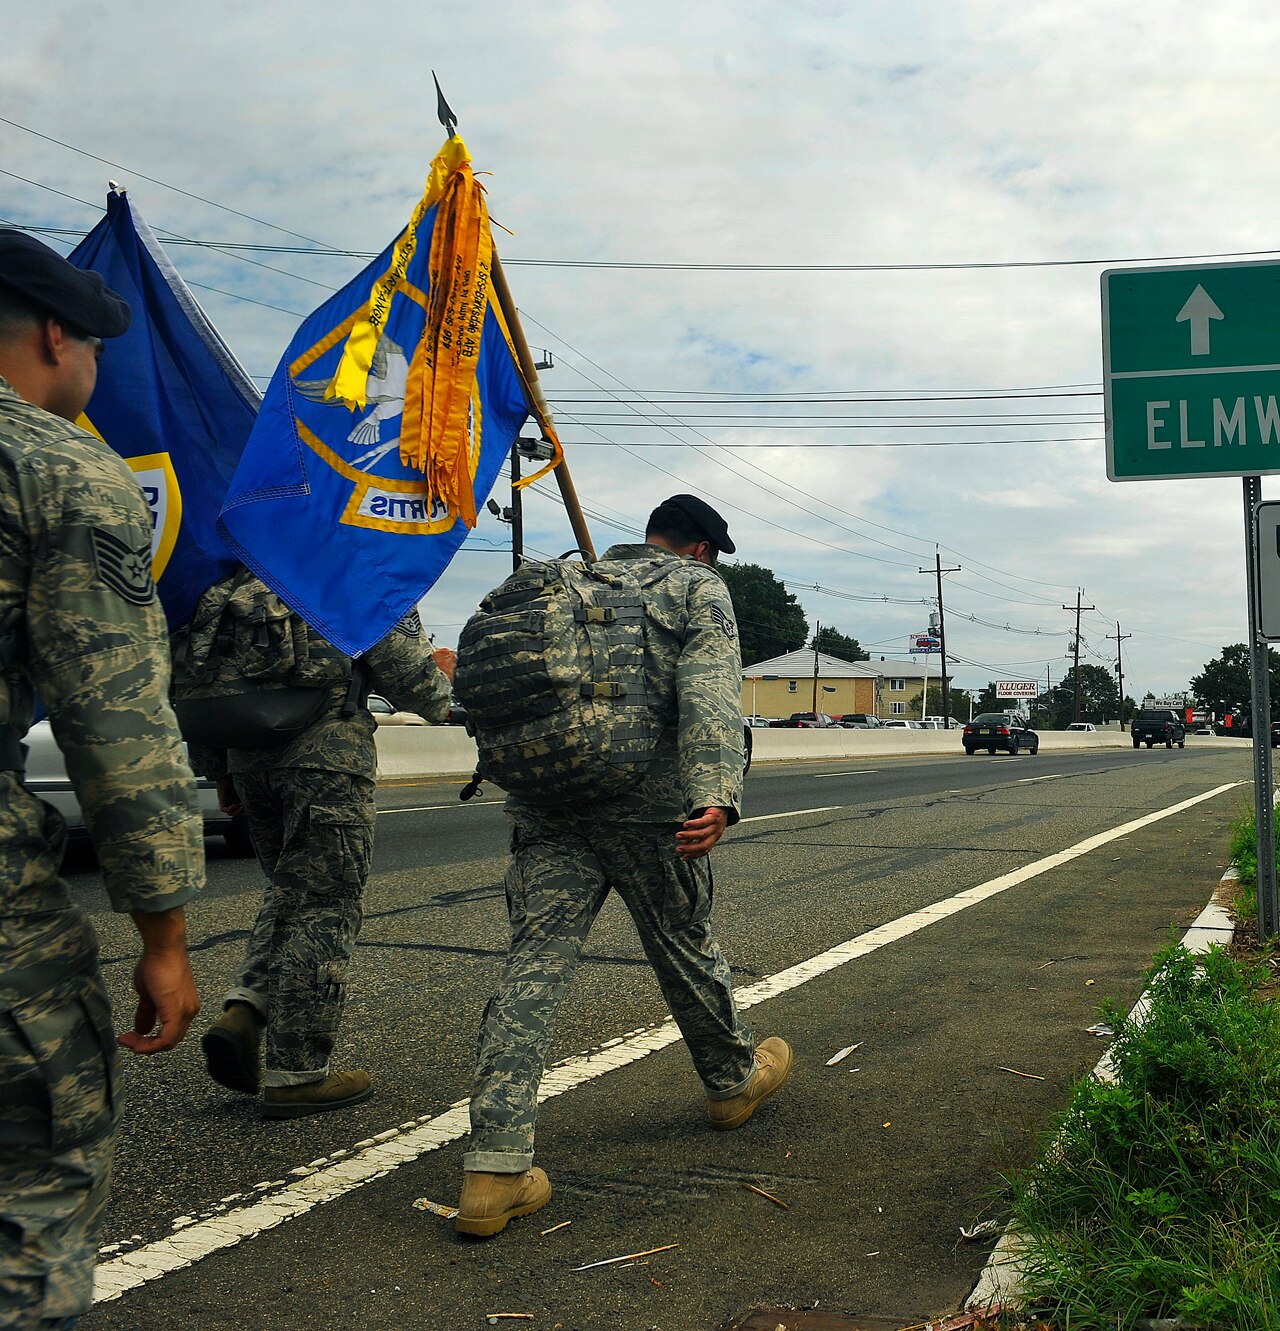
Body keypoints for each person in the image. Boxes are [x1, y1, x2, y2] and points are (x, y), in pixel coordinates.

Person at [457, 494, 788, 1238]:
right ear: (699, 548)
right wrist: (715, 793)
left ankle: (493, 1169)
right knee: (681, 943)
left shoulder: (571, 583)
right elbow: (709, 692)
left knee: (532, 965)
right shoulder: (696, 587)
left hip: (549, 799)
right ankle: (733, 1083)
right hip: (649, 806)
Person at [0, 230, 204, 1325]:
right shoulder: (58, 466)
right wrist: (162, 938)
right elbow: (114, 726)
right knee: (33, 1178)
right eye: (92, 344)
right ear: (50, 335)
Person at [188, 576, 453, 1117]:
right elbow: (407, 673)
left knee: (288, 893)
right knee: (325, 909)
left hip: (247, 756)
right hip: (327, 756)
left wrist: (219, 769)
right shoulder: (341, 571)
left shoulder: (230, 577)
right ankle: (297, 1073)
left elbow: (198, 677)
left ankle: (247, 1006)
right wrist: (441, 687)